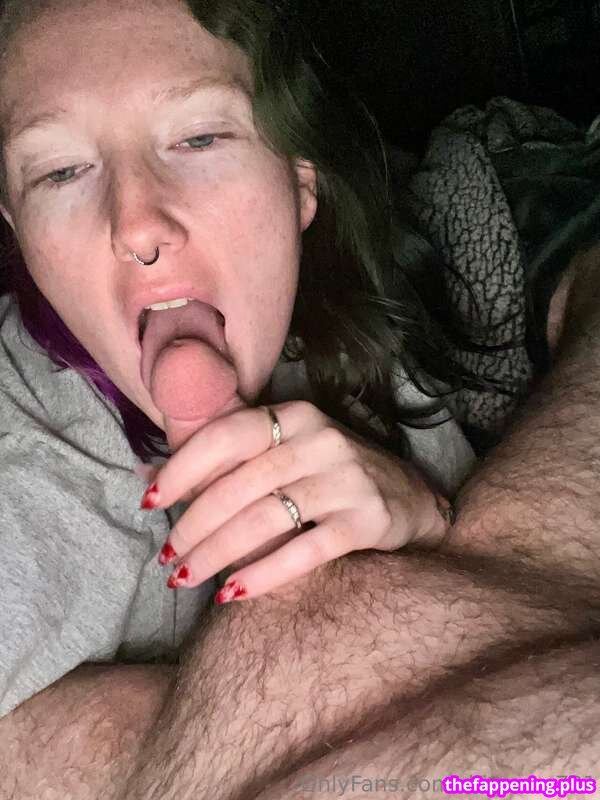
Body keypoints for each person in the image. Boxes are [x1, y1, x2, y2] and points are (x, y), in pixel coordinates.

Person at [2, 0, 599, 796]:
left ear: (299, 182)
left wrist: (441, 524)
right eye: (60, 171)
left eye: (199, 138)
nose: (137, 224)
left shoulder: (423, 282)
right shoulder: (26, 431)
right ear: (19, 229)